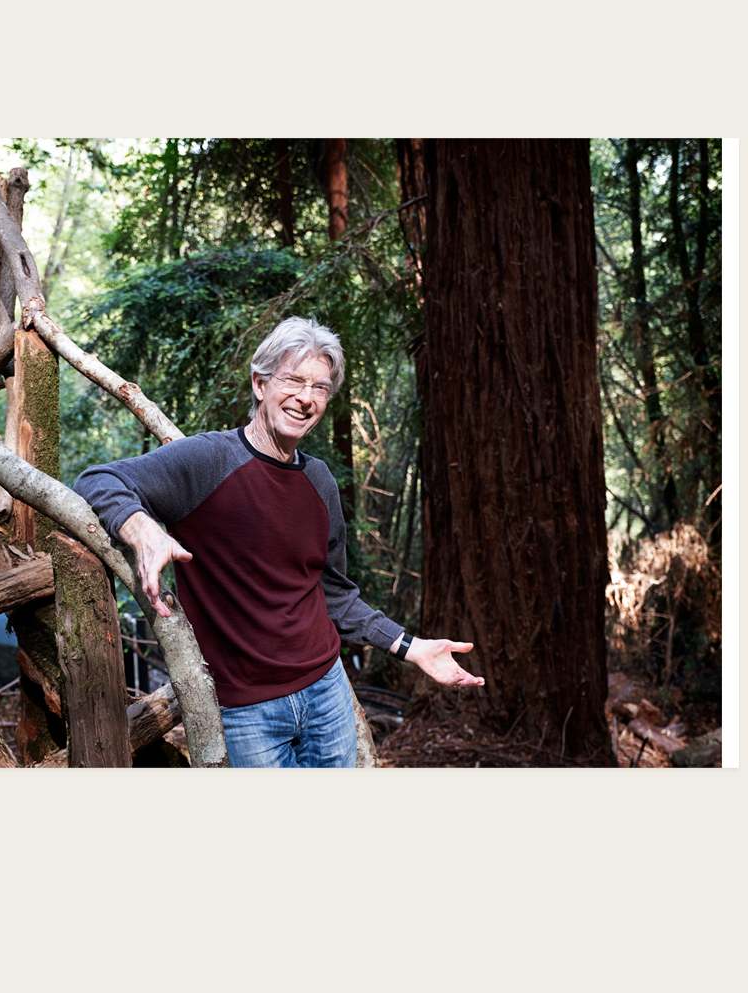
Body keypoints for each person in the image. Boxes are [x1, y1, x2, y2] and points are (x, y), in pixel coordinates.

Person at [75, 316, 483, 767]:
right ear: (260, 384)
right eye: (292, 380)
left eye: (321, 388)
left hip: (328, 690)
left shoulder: (319, 481)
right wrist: (142, 528)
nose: (306, 399)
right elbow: (99, 479)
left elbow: (335, 596)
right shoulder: (209, 460)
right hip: (248, 710)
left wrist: (413, 647)